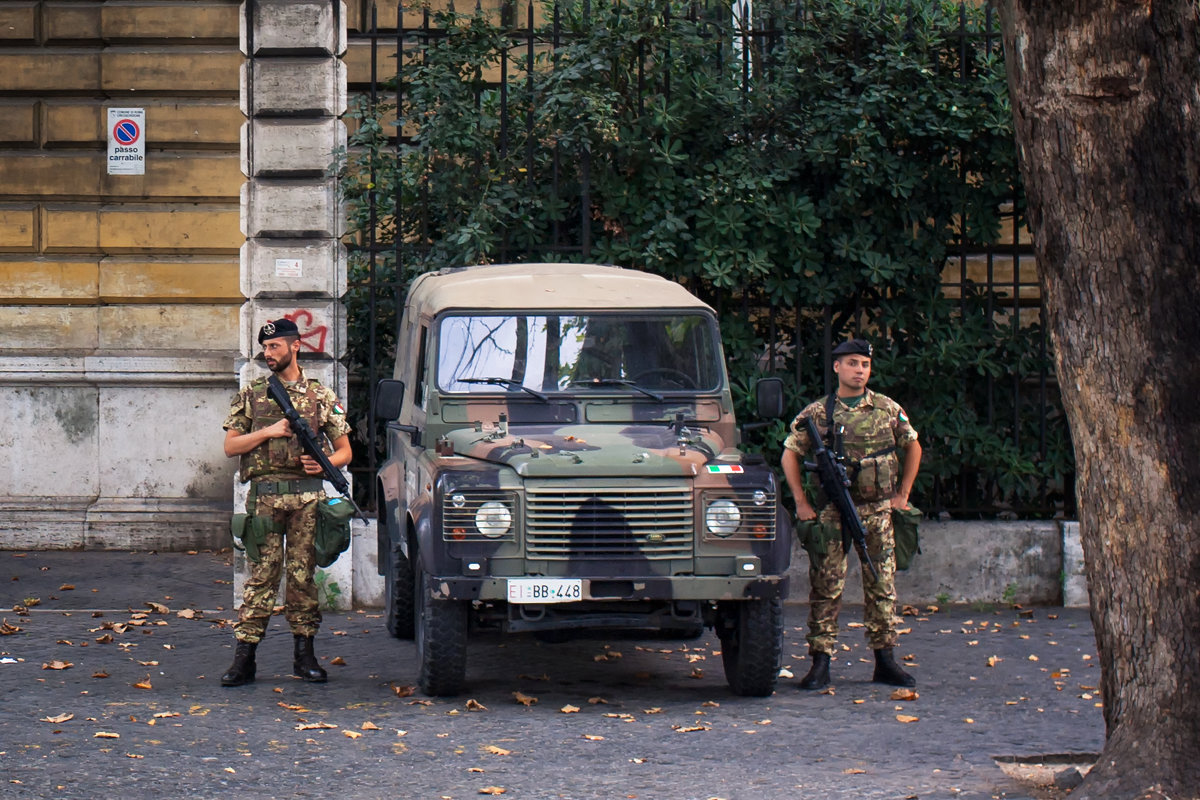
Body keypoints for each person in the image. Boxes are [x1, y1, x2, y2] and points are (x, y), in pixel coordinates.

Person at [781, 338, 922, 690]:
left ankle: (885, 659)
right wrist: (800, 501)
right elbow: (790, 454)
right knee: (826, 586)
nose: (860, 371)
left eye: (865, 365)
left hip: (876, 510)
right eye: (853, 363)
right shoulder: (818, 412)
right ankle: (821, 661)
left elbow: (913, 446)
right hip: (832, 512)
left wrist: (903, 494)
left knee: (882, 584)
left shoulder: (887, 409)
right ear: (837, 367)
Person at [219, 318, 352, 686]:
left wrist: (323, 465)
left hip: (308, 500)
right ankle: (244, 659)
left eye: (274, 346)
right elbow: (231, 446)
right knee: (261, 577)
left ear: (295, 346)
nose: (268, 354)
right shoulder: (252, 394)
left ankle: (304, 655)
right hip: (265, 500)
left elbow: (345, 451)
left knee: (302, 579)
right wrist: (269, 431)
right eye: (265, 348)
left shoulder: (321, 396)